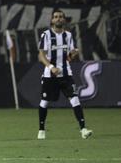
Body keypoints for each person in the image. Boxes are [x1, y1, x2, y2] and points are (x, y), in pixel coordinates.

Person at [37, 9, 93, 140]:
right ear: (52, 20)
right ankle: (41, 130)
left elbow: (68, 57)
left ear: (64, 20)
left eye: (61, 17)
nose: (58, 19)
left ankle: (83, 129)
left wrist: (73, 54)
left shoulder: (68, 35)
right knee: (44, 102)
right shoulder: (45, 35)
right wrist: (51, 67)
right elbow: (41, 55)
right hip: (49, 75)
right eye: (56, 17)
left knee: (74, 99)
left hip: (66, 74)